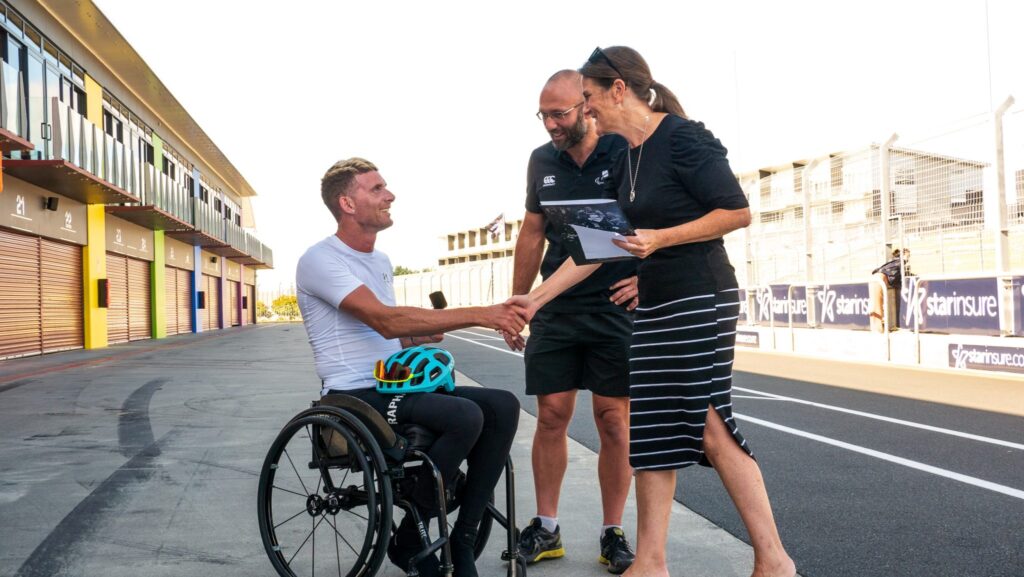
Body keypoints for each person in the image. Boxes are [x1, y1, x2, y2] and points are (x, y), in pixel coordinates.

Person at [507, 47, 796, 577]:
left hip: (699, 295)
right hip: (659, 303)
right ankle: (650, 563)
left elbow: (736, 211)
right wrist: (535, 299)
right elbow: (601, 245)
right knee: (655, 436)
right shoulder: (628, 153)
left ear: (619, 89)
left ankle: (774, 561)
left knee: (709, 424)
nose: (586, 111)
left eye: (588, 99)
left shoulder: (683, 137)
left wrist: (661, 238)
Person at [296, 157, 527, 577]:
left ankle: (463, 541)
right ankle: (411, 536)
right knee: (464, 414)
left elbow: (391, 334)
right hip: (354, 395)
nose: (390, 195)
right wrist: (481, 313)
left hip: (393, 386)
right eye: (377, 188)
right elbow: (385, 319)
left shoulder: (380, 261)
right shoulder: (320, 259)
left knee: (504, 405)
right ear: (347, 203)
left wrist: (418, 337)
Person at [509, 69, 639, 574]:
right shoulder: (542, 160)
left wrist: (648, 277)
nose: (549, 125)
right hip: (556, 307)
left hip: (614, 304)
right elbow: (531, 232)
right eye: (542, 115)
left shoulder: (624, 148)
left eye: (558, 113)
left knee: (612, 419)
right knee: (552, 416)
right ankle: (546, 527)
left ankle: (612, 532)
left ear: (587, 106)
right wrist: (520, 300)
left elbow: (662, 217)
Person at [869, 248, 910, 332]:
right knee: (877, 306)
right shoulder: (900, 262)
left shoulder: (892, 261)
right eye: (908, 255)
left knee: (875, 305)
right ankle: (878, 331)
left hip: (876, 278)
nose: (909, 257)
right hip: (879, 280)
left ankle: (877, 329)